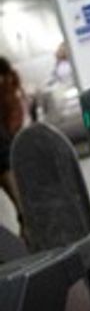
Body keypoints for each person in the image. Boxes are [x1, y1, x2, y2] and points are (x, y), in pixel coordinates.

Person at [0, 58, 27, 210]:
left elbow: (12, 118)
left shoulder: (6, 89)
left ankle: (22, 211)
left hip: (6, 146)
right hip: (9, 143)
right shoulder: (12, 87)